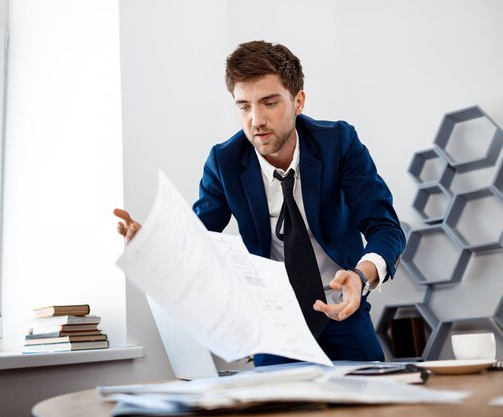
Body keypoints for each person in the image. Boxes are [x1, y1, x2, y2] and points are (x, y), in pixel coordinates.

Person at [114, 40, 405, 366]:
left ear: (298, 101)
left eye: (269, 103)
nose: (256, 119)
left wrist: (361, 276)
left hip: (342, 306)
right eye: (244, 106)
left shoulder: (339, 143)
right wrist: (152, 245)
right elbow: (195, 239)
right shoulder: (224, 162)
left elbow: (386, 229)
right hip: (274, 323)